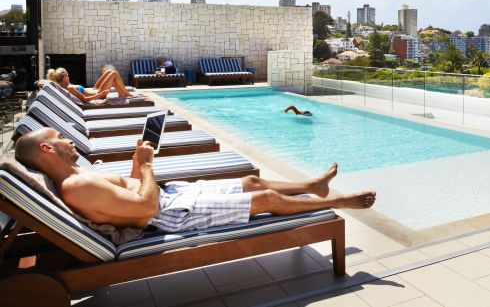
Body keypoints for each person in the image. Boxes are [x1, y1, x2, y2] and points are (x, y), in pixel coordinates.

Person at [14, 128, 376, 232]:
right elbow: (144, 207)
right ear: (47, 150)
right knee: (262, 200)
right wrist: (149, 166)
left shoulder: (79, 175)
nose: (68, 139)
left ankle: (312, 187)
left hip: (169, 198)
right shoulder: (76, 185)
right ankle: (337, 202)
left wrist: (136, 162)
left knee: (251, 181)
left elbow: (124, 192)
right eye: (60, 138)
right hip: (169, 214)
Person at [47, 67, 134, 102]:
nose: (69, 76)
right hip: (98, 94)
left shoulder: (67, 85)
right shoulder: (69, 88)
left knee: (108, 72)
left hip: (94, 90)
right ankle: (126, 94)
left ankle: (121, 93)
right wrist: (100, 94)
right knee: (114, 73)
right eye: (67, 75)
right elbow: (85, 99)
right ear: (64, 77)